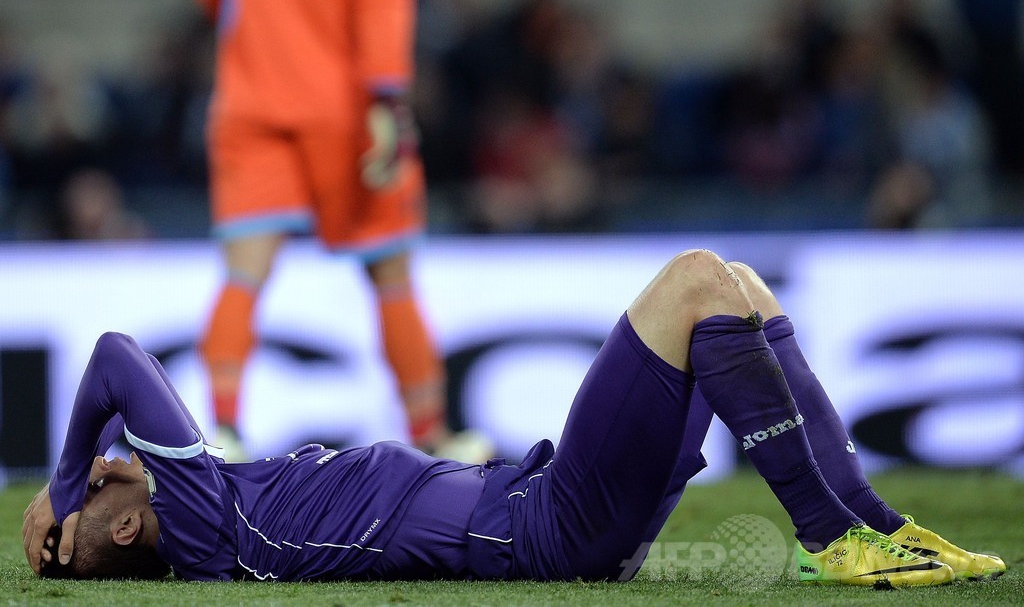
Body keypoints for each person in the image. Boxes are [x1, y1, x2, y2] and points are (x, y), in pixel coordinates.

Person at [23, 249, 1005, 587]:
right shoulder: (202, 527)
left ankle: (871, 523)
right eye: (112, 476)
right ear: (122, 522)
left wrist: (78, 496)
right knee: (699, 281)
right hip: (542, 528)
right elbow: (116, 356)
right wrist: (63, 482)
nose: (119, 458)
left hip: (537, 501)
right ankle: (831, 537)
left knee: (735, 286)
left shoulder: (218, 507)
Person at [189, 0, 483, 461]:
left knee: (242, 277)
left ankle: (220, 430)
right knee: (390, 277)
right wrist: (389, 97)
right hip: (348, 109)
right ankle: (433, 438)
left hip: (250, 97)